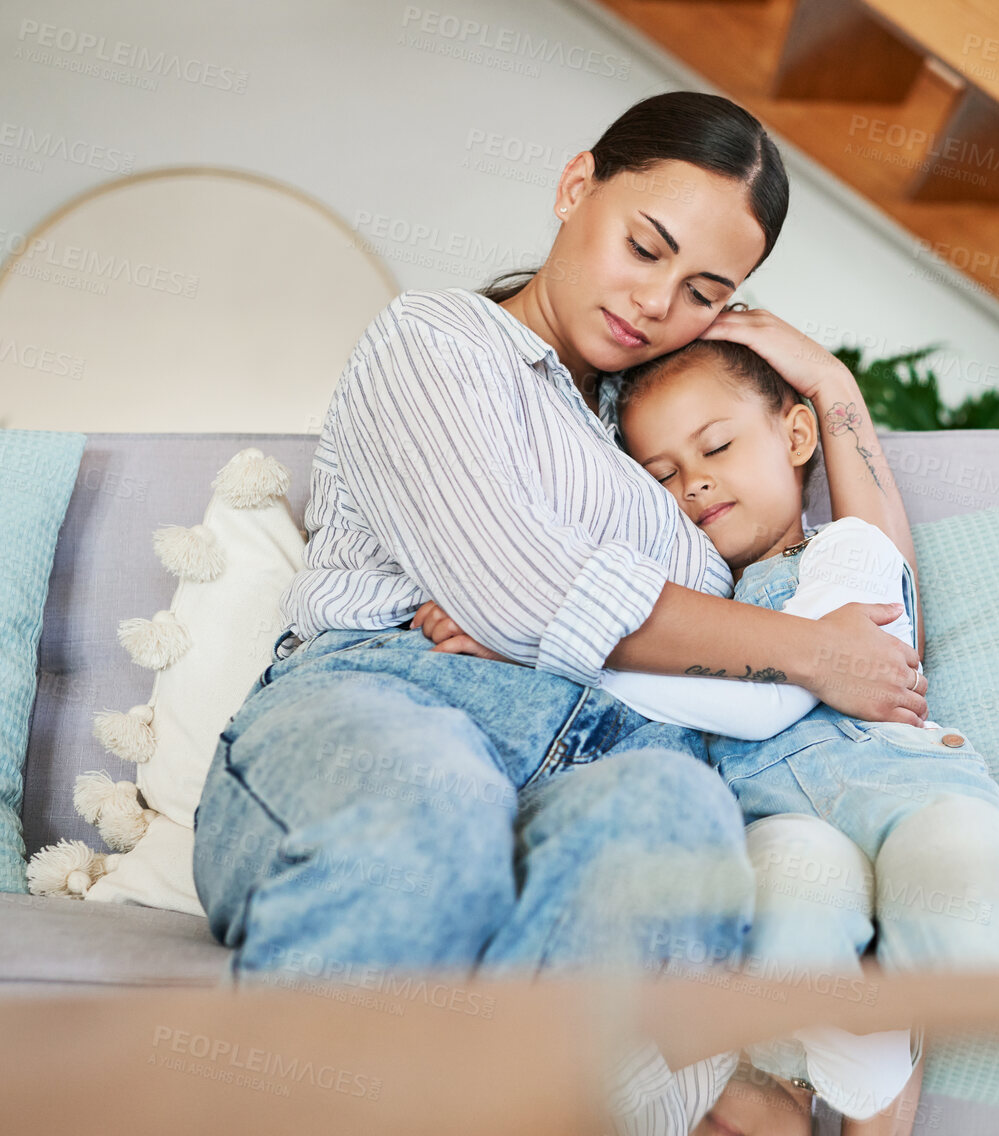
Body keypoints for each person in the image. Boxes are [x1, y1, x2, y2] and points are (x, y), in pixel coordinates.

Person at [190, 91, 925, 1136]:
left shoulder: (666, 447)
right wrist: (799, 651)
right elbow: (519, 586)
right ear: (578, 186)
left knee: (678, 819)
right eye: (644, 246)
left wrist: (832, 382)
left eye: (702, 289)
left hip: (605, 758)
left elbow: (881, 649)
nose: (655, 300)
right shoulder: (438, 339)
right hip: (385, 704)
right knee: (433, 806)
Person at [421, 335, 999, 1131]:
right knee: (787, 895)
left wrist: (566, 641)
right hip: (776, 817)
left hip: (905, 786)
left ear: (795, 438)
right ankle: (855, 1031)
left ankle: (921, 997)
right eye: (662, 477)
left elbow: (769, 701)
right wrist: (515, 628)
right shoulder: (677, 604)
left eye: (716, 446)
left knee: (963, 878)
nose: (695, 482)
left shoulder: (847, 550)